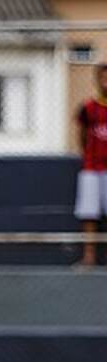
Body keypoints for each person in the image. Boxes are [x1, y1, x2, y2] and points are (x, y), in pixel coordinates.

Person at [74, 64, 107, 267]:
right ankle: (89, 257)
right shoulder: (88, 107)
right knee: (89, 213)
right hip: (92, 168)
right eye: (103, 78)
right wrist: (87, 154)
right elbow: (82, 134)